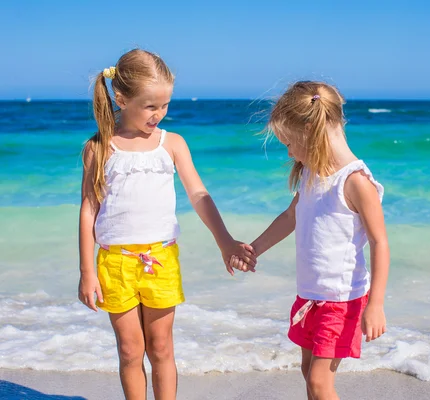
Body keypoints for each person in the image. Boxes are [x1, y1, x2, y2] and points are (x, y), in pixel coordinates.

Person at [78, 49, 256, 400]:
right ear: (121, 98)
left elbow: (198, 195)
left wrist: (225, 241)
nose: (158, 114)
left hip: (160, 260)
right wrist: (87, 271)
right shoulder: (99, 148)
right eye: (150, 106)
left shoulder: (171, 144)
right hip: (115, 263)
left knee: (160, 348)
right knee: (130, 351)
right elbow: (88, 210)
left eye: (165, 105)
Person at [231, 81, 389, 400]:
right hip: (310, 296)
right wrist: (254, 249)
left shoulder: (356, 181)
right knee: (308, 374)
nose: (288, 152)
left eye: (289, 142)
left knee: (319, 382)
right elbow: (291, 217)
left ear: (310, 130)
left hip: (342, 299)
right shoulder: (311, 174)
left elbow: (379, 242)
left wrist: (377, 304)